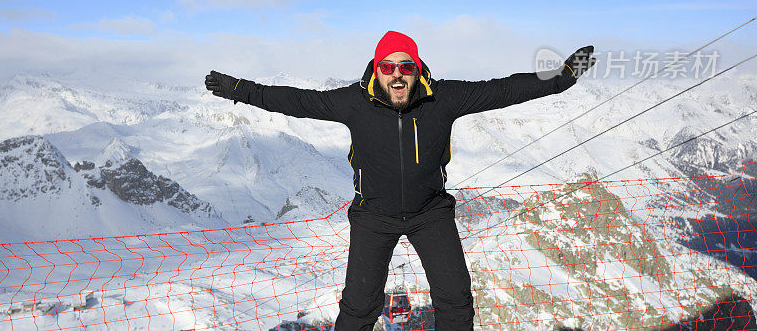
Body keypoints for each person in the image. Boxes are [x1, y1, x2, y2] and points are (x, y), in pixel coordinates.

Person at [205, 31, 596, 331]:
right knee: (359, 307)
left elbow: (506, 89)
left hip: (431, 214)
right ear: (376, 69)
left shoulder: (443, 98)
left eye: (406, 67)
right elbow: (295, 100)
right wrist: (240, 90)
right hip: (374, 215)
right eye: (388, 67)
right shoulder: (352, 102)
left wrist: (561, 77)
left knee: (456, 301)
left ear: (417, 70)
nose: (397, 75)